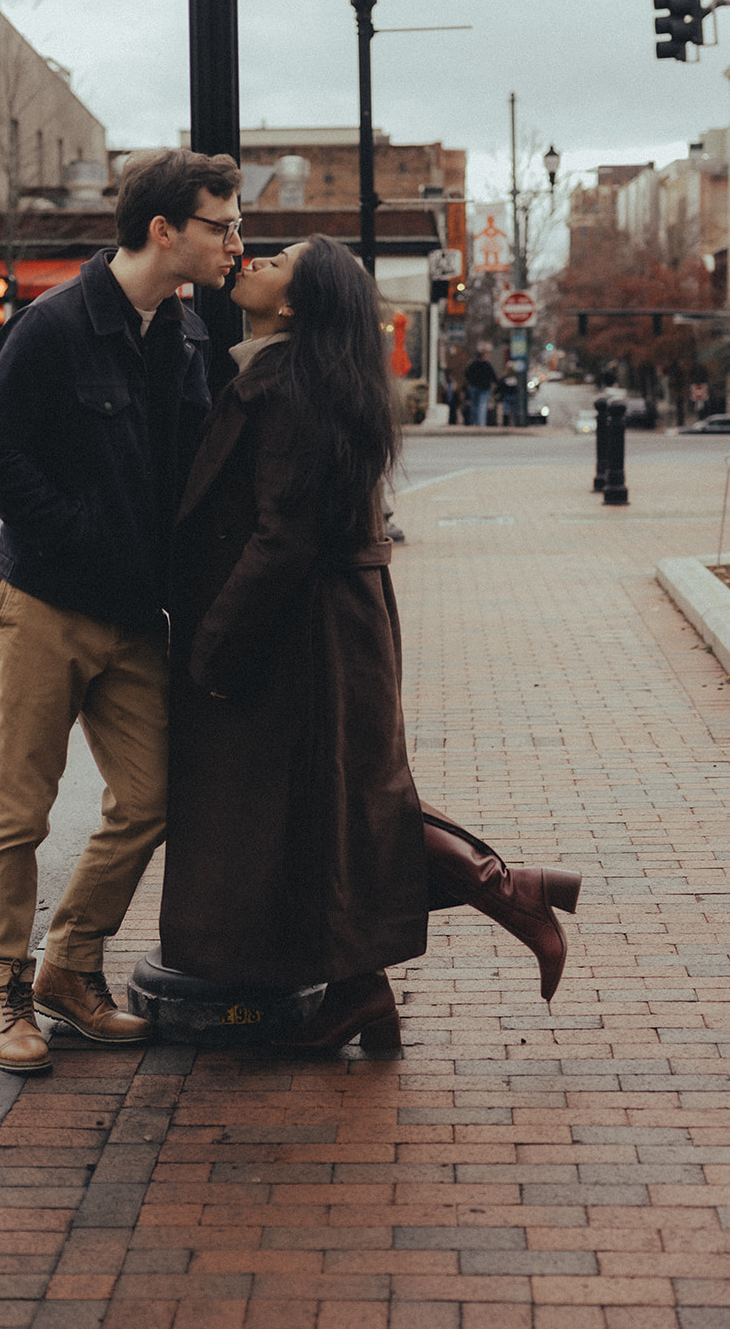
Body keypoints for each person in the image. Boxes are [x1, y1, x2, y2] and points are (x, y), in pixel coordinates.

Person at [161, 235, 581, 1053]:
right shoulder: (305, 376)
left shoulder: (289, 387)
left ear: (295, 304)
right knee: (329, 803)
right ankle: (366, 987)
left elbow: (282, 535)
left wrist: (215, 645)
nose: (254, 261)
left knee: (339, 802)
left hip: (306, 630)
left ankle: (502, 893)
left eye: (277, 261)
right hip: (323, 620)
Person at [0, 147, 243, 1072]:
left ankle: (69, 966)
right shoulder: (52, 326)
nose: (235, 243)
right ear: (164, 230)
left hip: (134, 617)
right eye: (221, 225)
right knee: (20, 811)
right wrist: (78, 532)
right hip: (44, 605)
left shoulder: (185, 335)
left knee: (153, 799)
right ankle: (4, 991)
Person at [465, 345, 498, 427]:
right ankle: (481, 423)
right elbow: (493, 376)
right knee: (482, 405)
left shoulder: (473, 364)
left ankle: (473, 422)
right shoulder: (487, 365)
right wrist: (496, 383)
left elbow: (467, 374)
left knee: (474, 405)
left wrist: (470, 382)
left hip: (474, 387)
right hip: (484, 388)